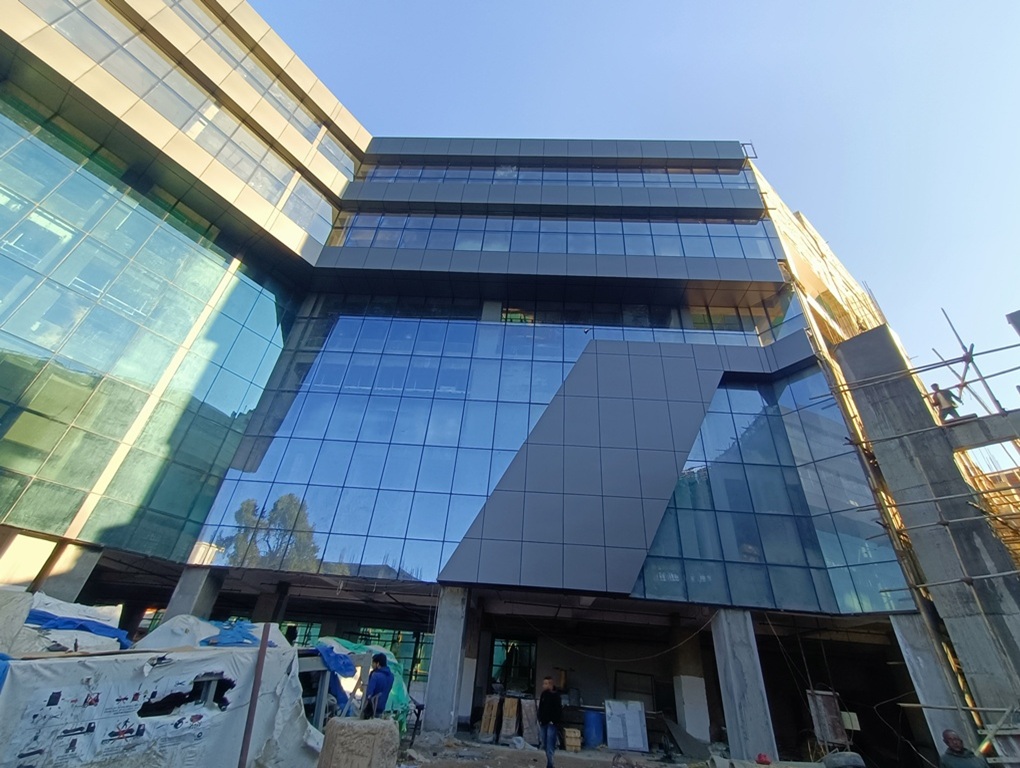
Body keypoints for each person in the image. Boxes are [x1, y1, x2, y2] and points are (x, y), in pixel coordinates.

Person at [537, 676, 562, 768]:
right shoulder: (544, 694)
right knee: (545, 743)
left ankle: (550, 765)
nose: (543, 685)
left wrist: (554, 721)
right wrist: (540, 719)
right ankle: (549, 762)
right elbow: (541, 708)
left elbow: (558, 710)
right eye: (543, 683)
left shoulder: (556, 696)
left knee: (550, 744)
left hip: (551, 724)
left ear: (550, 684)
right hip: (543, 722)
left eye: (545, 683)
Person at [362, 653, 394, 719]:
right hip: (382, 708)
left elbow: (368, 693)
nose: (372, 665)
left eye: (373, 663)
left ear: (378, 664)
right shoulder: (391, 676)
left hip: (371, 710)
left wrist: (363, 689)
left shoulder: (375, 675)